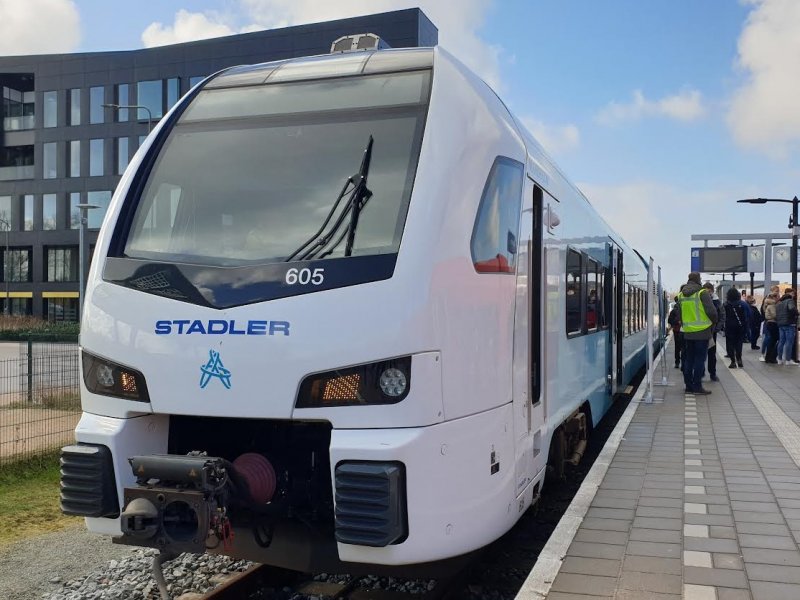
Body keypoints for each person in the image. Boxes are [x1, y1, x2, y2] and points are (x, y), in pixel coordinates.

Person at [677, 272, 718, 394]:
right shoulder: (702, 293)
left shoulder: (681, 295)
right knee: (700, 360)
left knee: (689, 359)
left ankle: (688, 386)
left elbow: (680, 313)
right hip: (702, 332)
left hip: (688, 332)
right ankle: (697, 386)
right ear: (698, 280)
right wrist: (713, 322)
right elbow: (712, 312)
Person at [703, 282, 723, 381]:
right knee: (701, 353)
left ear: (712, 291)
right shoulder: (700, 300)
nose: (708, 293)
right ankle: (701, 373)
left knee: (712, 354)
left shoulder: (717, 302)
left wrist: (717, 328)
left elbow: (722, 315)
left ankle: (712, 373)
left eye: (709, 291)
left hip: (712, 332)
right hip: (701, 331)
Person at [723, 287, 747, 368]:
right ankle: (739, 358)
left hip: (729, 326)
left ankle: (733, 361)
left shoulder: (726, 304)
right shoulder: (743, 304)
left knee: (730, 343)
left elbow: (722, 316)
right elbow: (748, 315)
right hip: (740, 326)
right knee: (739, 343)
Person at [775, 288, 799, 366]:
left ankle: (779, 359)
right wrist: (797, 313)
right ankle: (788, 360)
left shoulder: (779, 303)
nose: (794, 295)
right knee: (789, 342)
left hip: (781, 324)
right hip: (789, 324)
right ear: (789, 294)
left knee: (781, 342)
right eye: (793, 294)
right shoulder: (790, 301)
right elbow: (792, 309)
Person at [760, 292, 779, 363]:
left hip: (769, 323)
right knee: (775, 340)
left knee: (772, 340)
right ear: (774, 297)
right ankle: (771, 357)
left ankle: (768, 357)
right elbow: (774, 315)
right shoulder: (772, 305)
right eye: (778, 296)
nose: (779, 298)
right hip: (773, 323)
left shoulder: (767, 304)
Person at [668, 297, 684, 369]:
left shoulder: (674, 310)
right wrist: (677, 321)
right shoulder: (675, 310)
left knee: (677, 347)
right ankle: (680, 362)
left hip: (678, 330)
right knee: (682, 347)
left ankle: (677, 362)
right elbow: (670, 320)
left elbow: (670, 320)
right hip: (681, 330)